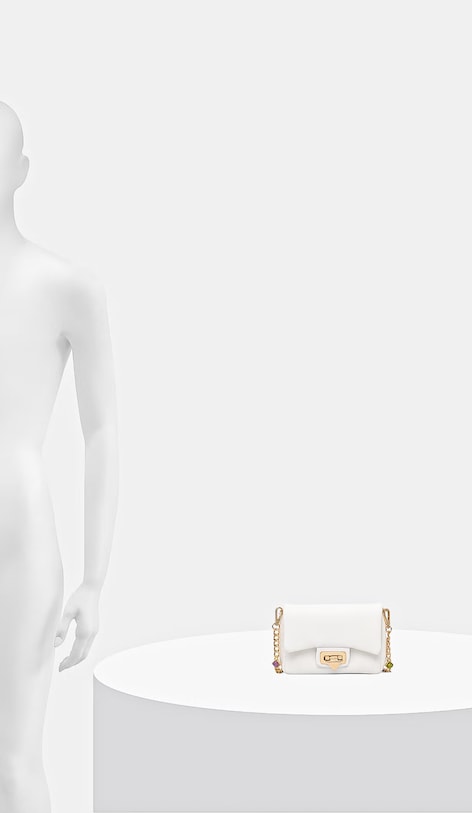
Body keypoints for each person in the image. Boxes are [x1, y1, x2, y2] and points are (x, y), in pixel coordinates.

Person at [0, 100, 119, 813]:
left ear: (21, 171)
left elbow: (101, 431)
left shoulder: (67, 286)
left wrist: (96, 579)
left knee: (15, 760)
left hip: (18, 534)